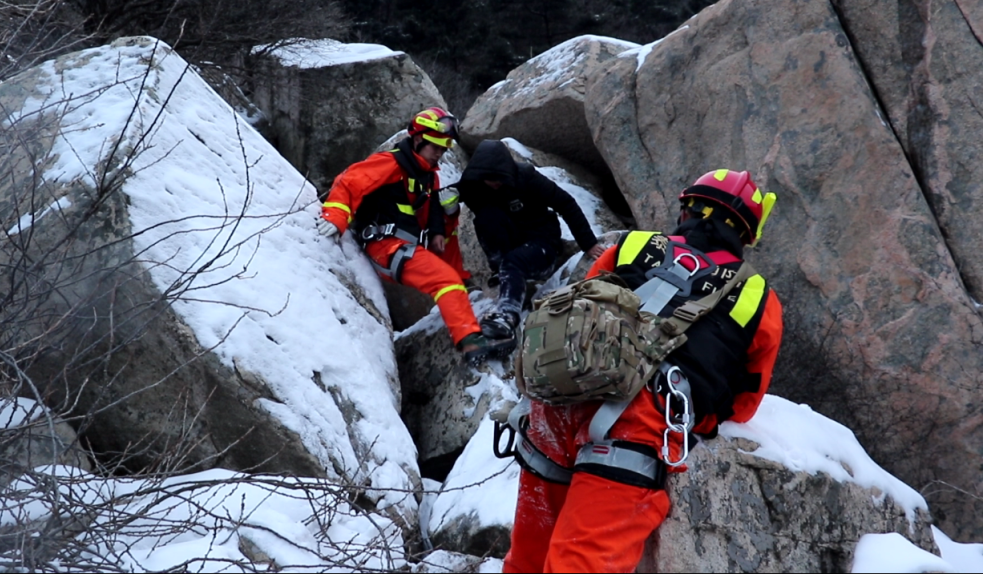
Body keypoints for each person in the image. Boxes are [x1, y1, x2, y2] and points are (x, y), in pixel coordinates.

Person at [501, 169, 784, 573]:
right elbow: (744, 404)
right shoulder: (758, 297)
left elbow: (580, 317)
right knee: (580, 564)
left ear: (686, 210)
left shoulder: (631, 244)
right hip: (638, 423)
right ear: (746, 235)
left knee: (527, 561)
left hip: (559, 404)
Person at [316, 108, 511, 364]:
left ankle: (462, 290)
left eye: (443, 149)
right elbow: (349, 181)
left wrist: (442, 225)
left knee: (448, 243)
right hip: (385, 246)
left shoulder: (428, 177)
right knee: (445, 280)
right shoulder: (391, 163)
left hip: (404, 245)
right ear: (418, 139)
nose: (439, 154)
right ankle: (471, 343)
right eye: (435, 148)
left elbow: (430, 213)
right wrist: (336, 216)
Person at [455, 139, 604, 345]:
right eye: (490, 179)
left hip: (542, 244)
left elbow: (566, 203)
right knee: (486, 218)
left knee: (513, 262)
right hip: (512, 243)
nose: (495, 183)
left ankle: (508, 316)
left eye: (499, 178)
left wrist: (589, 243)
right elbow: (445, 198)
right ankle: (502, 270)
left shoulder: (526, 177)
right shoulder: (474, 184)